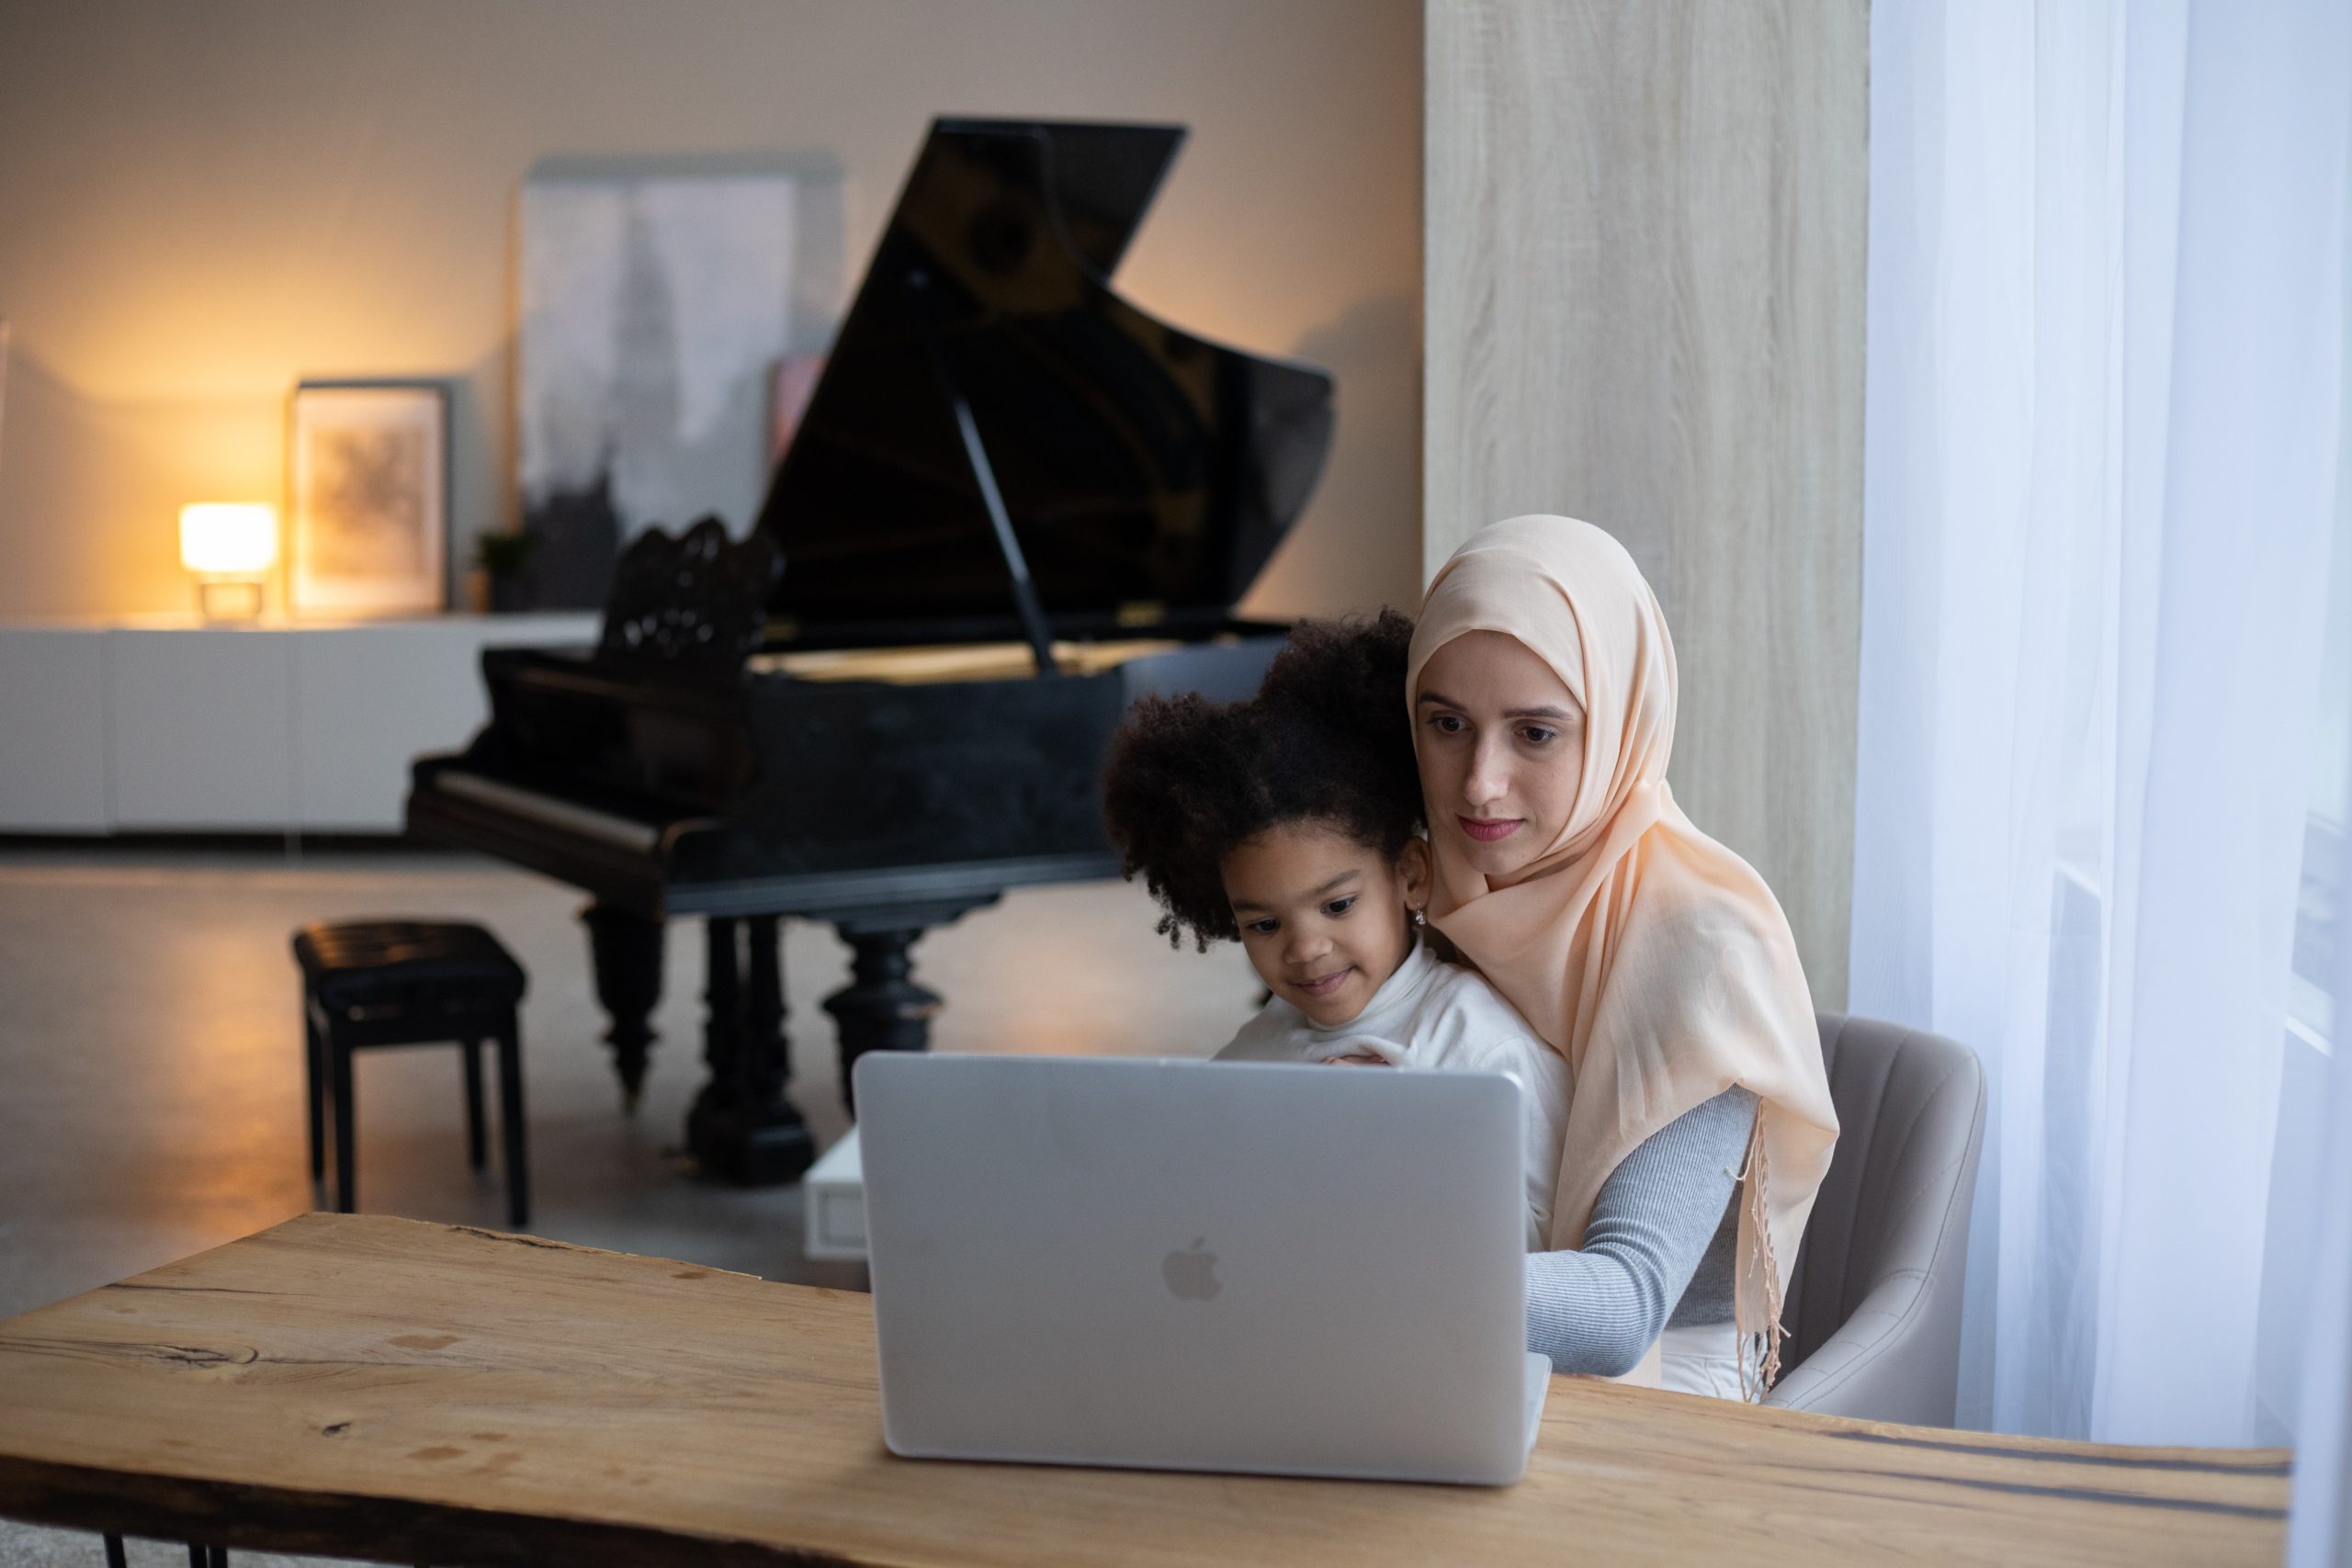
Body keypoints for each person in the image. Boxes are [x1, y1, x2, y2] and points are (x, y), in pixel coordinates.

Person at [1408, 514, 1839, 1399]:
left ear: (1617, 724)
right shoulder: (1425, 889)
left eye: (1535, 733)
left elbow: (1623, 1304)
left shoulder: (1705, 946)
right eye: (1446, 723)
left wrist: (1346, 1279)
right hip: (1449, 1345)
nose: (1479, 782)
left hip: (1662, 1384)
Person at [1102, 615, 1571, 1249]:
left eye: (1338, 904)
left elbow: (1551, 1241)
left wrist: (1394, 1145)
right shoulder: (1252, 1054)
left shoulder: (1476, 1042)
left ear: (1409, 874)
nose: (1304, 947)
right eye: (1264, 923)